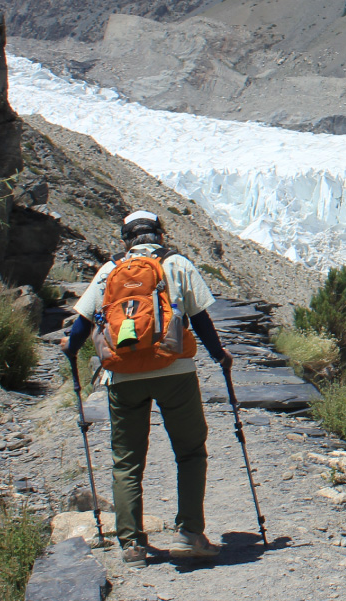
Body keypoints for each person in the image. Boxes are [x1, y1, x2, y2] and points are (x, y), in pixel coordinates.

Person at [62, 210, 234, 566]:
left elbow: (82, 323)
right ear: (159, 233)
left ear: (126, 238)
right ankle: (189, 534)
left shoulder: (110, 271)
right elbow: (200, 317)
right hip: (175, 371)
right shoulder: (176, 264)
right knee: (189, 451)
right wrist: (220, 355)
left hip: (122, 376)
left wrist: (71, 348)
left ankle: (132, 544)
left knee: (126, 461)